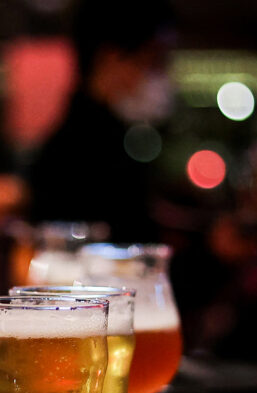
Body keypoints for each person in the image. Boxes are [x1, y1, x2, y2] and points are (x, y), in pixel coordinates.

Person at [28, 0, 176, 244]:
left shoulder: (98, 136)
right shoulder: (83, 148)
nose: (160, 75)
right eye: (155, 59)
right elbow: (133, 248)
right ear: (112, 57)